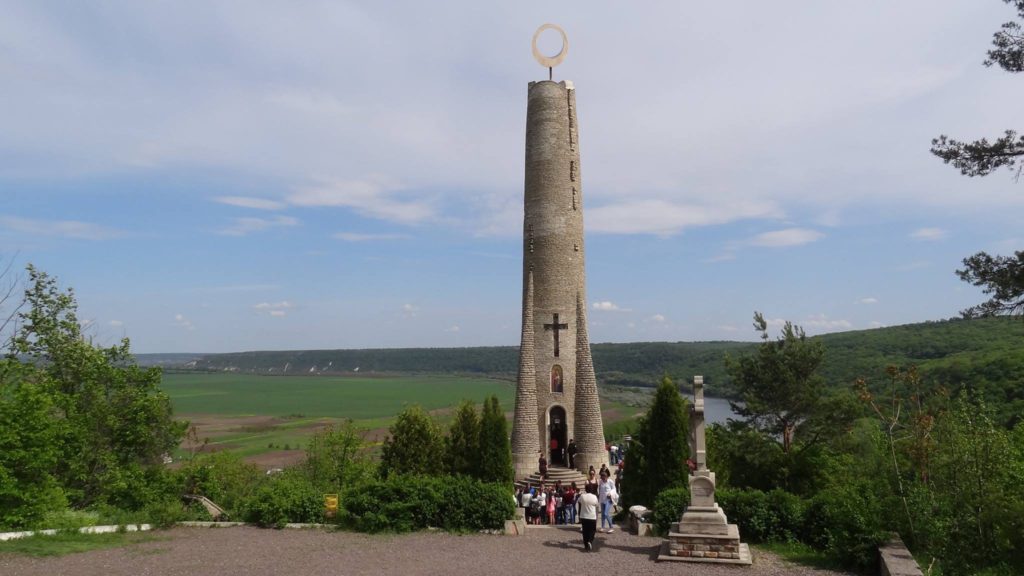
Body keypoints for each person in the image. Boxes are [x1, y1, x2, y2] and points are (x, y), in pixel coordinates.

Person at [577, 483, 599, 552]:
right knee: (592, 530)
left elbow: (579, 502)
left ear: (586, 489)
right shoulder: (594, 497)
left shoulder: (582, 496)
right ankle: (590, 541)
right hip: (592, 516)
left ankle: (586, 545)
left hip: (583, 516)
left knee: (585, 531)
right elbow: (597, 506)